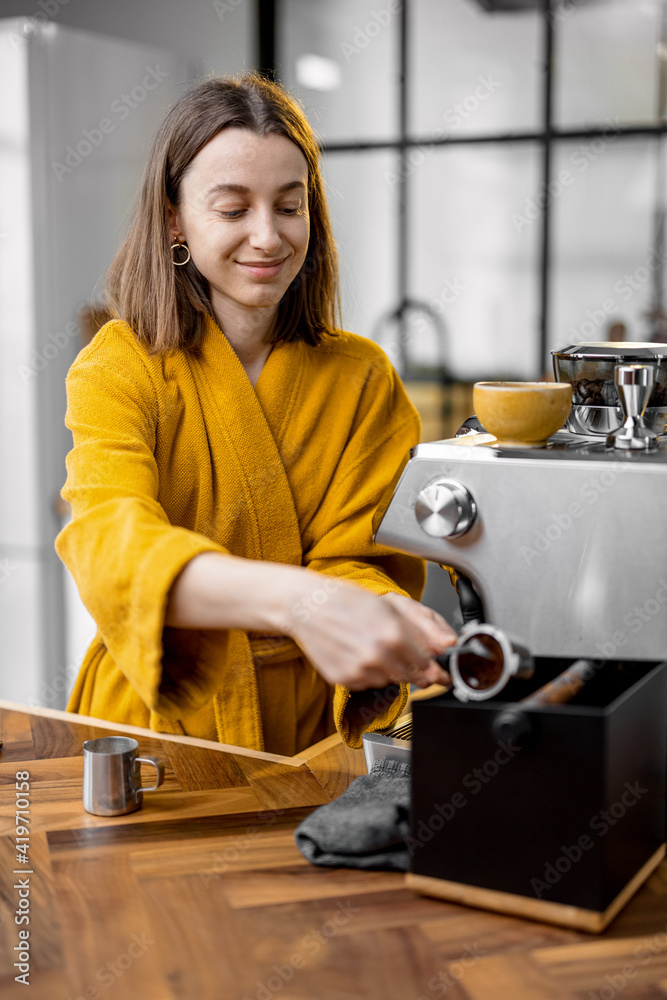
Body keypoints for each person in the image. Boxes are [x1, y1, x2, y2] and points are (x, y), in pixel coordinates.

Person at [56, 73, 455, 757]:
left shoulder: (361, 377)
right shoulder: (118, 365)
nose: (267, 237)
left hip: (313, 738)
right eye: (233, 209)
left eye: (289, 206)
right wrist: (300, 603)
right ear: (175, 218)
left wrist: (375, 608)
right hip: (152, 730)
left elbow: (357, 557)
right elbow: (111, 545)